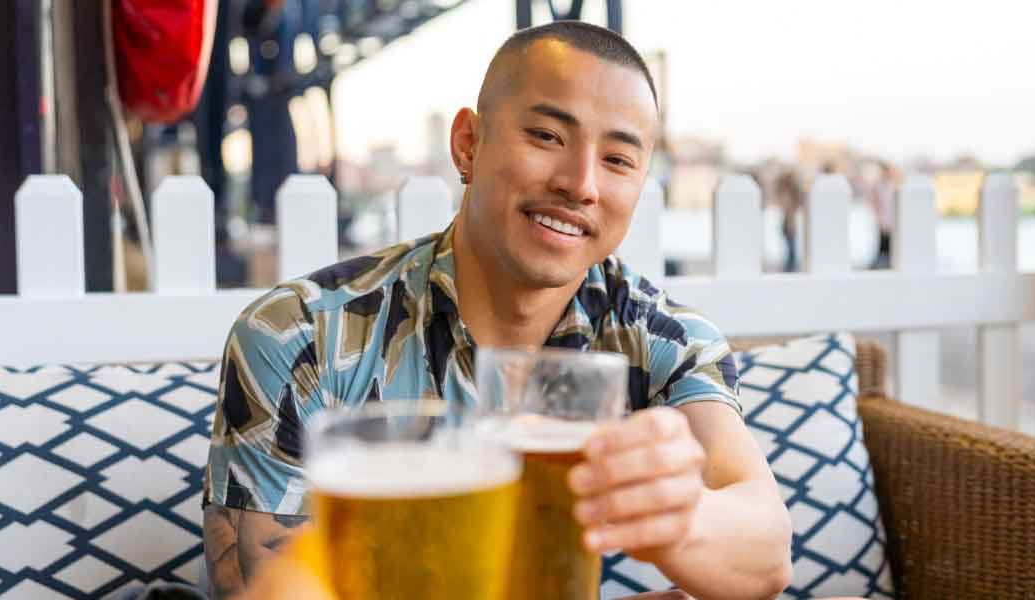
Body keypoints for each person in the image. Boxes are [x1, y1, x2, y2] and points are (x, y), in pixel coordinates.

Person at [201, 20, 793, 600]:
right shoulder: (302, 333)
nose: (581, 184)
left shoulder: (663, 338)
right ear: (468, 144)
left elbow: (765, 553)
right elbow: (264, 586)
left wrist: (677, 518)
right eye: (546, 136)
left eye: (617, 160)